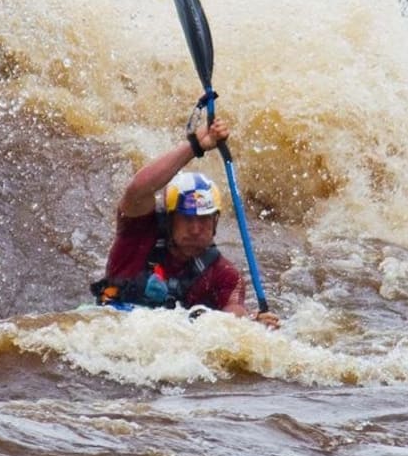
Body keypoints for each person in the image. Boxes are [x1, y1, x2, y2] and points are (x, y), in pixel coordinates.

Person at [92, 116, 279, 327]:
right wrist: (195, 145)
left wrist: (252, 324)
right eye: (187, 219)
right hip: (111, 326)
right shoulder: (138, 236)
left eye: (205, 220)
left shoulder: (224, 275)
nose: (196, 229)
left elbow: (234, 315)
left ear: (216, 221)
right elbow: (138, 189)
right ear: (170, 219)